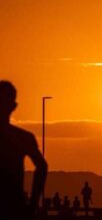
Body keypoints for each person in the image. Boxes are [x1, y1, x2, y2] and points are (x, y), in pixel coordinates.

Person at [0, 81, 48, 219]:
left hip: (13, 206)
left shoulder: (23, 138)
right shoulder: (23, 138)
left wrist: (33, 203)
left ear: (13, 106)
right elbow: (42, 166)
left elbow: (42, 166)